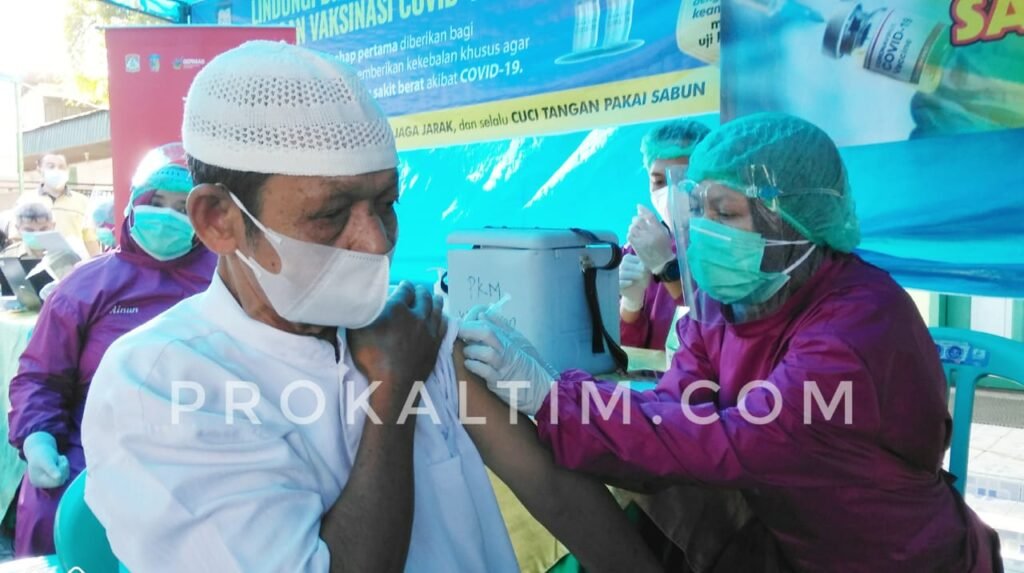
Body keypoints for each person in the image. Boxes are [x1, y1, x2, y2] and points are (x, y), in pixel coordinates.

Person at [81, 41, 657, 573]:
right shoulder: (162, 386)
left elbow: (553, 489)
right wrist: (391, 394)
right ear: (216, 220)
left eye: (385, 202)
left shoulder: (412, 326)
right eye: (329, 214)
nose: (376, 241)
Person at [460, 113, 1003, 572]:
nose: (700, 230)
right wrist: (559, 390)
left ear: (789, 220)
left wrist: (554, 400)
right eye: (697, 209)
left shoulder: (856, 327)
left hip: (888, 556)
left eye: (725, 214)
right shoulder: (731, 301)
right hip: (789, 535)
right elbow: (676, 405)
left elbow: (730, 441)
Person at [7, 145, 216, 557]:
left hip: (199, 456)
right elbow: (40, 376)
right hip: (90, 456)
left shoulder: (228, 284)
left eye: (183, 208)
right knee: (56, 517)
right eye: (157, 203)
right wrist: (38, 439)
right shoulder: (87, 286)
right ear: (136, 205)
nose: (168, 216)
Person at [620, 120, 709, 352]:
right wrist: (630, 305)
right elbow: (625, 354)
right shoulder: (637, 249)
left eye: (682, 178)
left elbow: (715, 327)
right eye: (659, 181)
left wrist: (668, 269)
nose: (670, 190)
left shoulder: (728, 245)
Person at [29, 153, 100, 257]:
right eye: (51, 166)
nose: (56, 170)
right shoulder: (27, 200)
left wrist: (96, 265)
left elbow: (90, 239)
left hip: (75, 265)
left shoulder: (83, 201)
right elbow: (17, 238)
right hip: (38, 265)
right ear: (39, 169)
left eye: (61, 167)